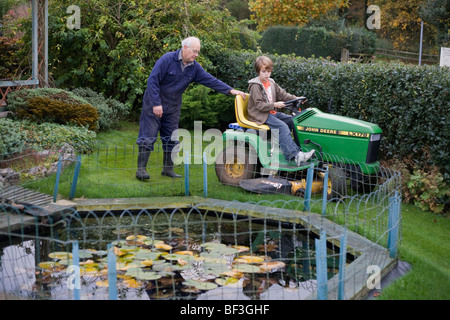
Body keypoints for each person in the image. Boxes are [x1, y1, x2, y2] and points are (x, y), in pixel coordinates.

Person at [136, 37, 246, 180]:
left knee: (172, 138)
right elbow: (152, 81)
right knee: (148, 137)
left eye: (198, 52)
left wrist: (231, 91)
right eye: (194, 51)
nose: (196, 55)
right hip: (154, 104)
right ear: (185, 48)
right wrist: (156, 104)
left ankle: (168, 169)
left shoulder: (194, 67)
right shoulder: (167, 60)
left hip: (173, 107)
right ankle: (141, 170)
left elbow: (210, 80)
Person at [247, 56, 315, 166]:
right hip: (260, 115)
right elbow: (259, 105)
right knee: (282, 127)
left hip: (270, 113)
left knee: (294, 121)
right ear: (258, 71)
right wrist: (274, 104)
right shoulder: (255, 86)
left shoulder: (271, 83)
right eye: (264, 71)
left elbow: (283, 94)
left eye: (268, 71)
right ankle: (295, 155)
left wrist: (296, 98)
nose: (266, 74)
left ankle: (300, 150)